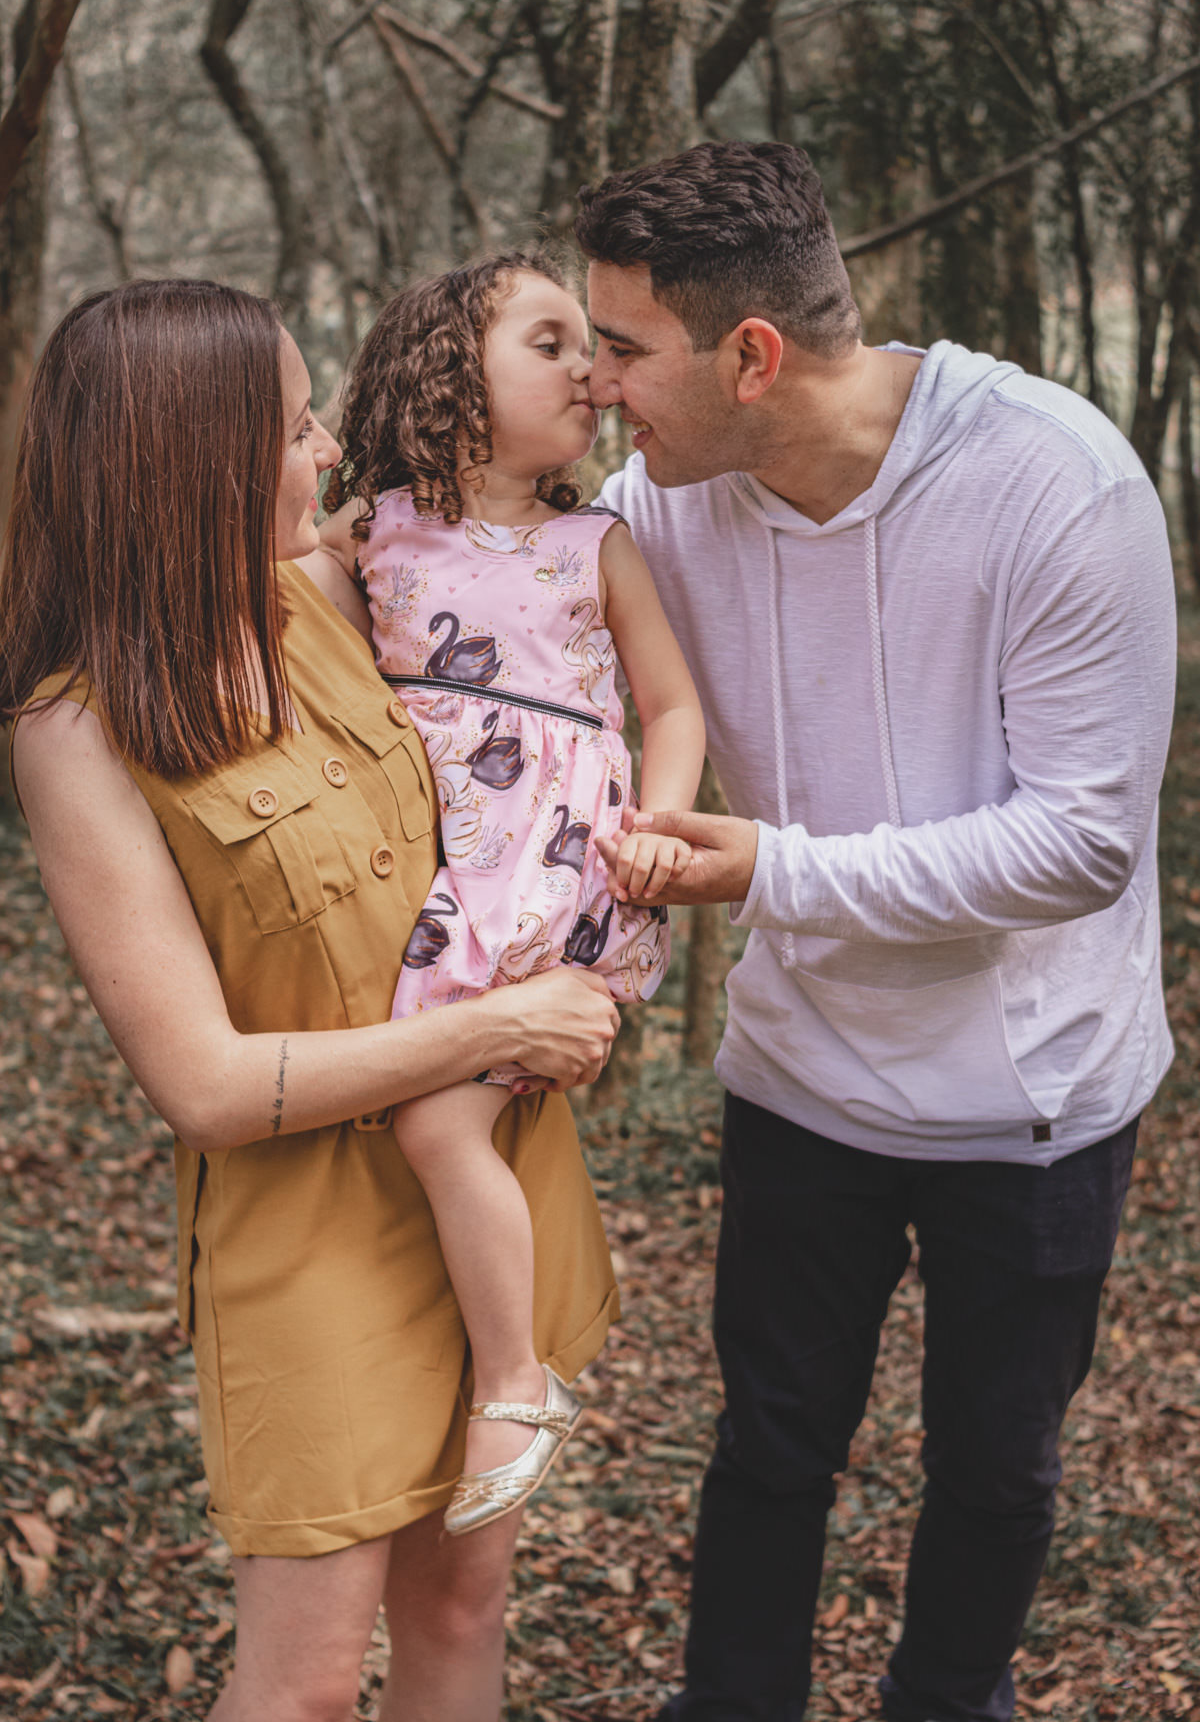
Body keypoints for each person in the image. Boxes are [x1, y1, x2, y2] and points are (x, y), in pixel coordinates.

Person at [573, 140, 1177, 1722]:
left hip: (1032, 1099)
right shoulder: (661, 508)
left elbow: (1083, 841)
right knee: (771, 1444)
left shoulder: (1059, 483)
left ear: (751, 357)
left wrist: (772, 872)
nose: (599, 391)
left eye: (625, 351)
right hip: (801, 1082)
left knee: (994, 1466)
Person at [0, 278, 624, 1722]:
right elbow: (203, 1083)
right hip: (311, 1238)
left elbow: (548, 660)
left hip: (488, 1180)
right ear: (193, 460)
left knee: (465, 1603)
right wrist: (490, 1031)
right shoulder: (75, 727)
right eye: (293, 427)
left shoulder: (340, 590)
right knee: (304, 1688)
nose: (332, 450)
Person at [311, 251, 705, 1536]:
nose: (589, 371)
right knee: (425, 1116)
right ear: (449, 374)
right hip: (435, 857)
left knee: (435, 1124)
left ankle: (516, 1380)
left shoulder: (599, 542)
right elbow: (277, 622)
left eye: (590, 349)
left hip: (550, 860)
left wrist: (658, 825)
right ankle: (475, 1364)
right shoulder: (374, 531)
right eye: (549, 343)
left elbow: (673, 704)